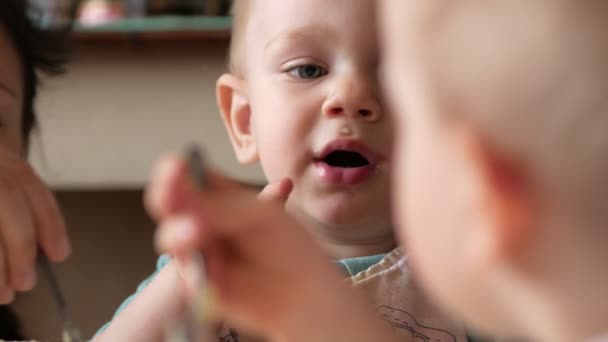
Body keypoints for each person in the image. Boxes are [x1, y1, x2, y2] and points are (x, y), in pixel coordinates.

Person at [95, 0, 464, 341]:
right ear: (245, 120)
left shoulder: (478, 277)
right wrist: (187, 280)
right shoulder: (201, 270)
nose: (351, 96)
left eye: (396, 71)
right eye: (308, 70)